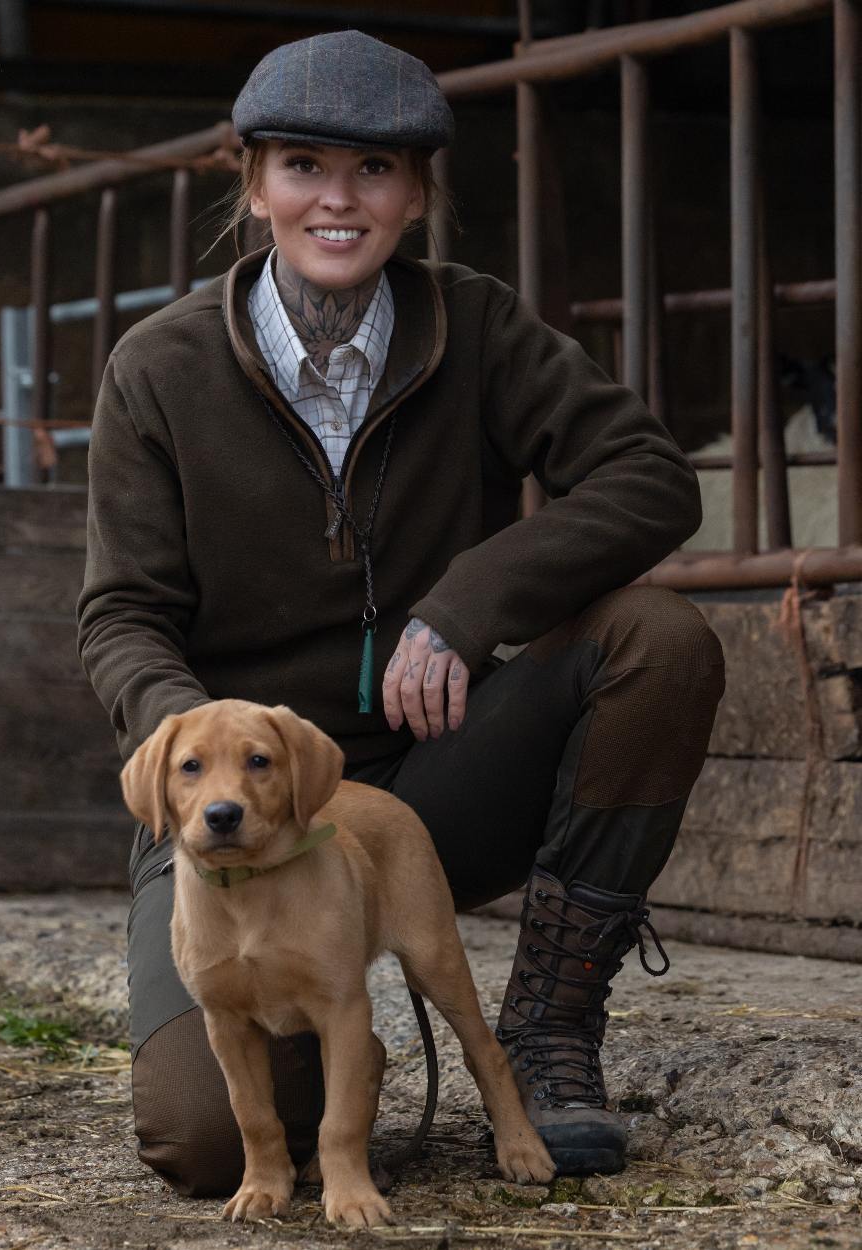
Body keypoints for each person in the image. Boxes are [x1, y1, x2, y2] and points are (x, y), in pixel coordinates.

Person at [77, 29, 725, 1197]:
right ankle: (330, 1032)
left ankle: (546, 1030)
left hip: (430, 772)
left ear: (416, 195)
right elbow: (121, 612)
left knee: (659, 639)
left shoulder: (474, 325)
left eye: (375, 171)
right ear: (256, 182)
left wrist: (467, 606)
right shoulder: (157, 366)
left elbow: (649, 474)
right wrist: (198, 748)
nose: (339, 198)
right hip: (235, 795)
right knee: (205, 1142)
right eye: (305, 166)